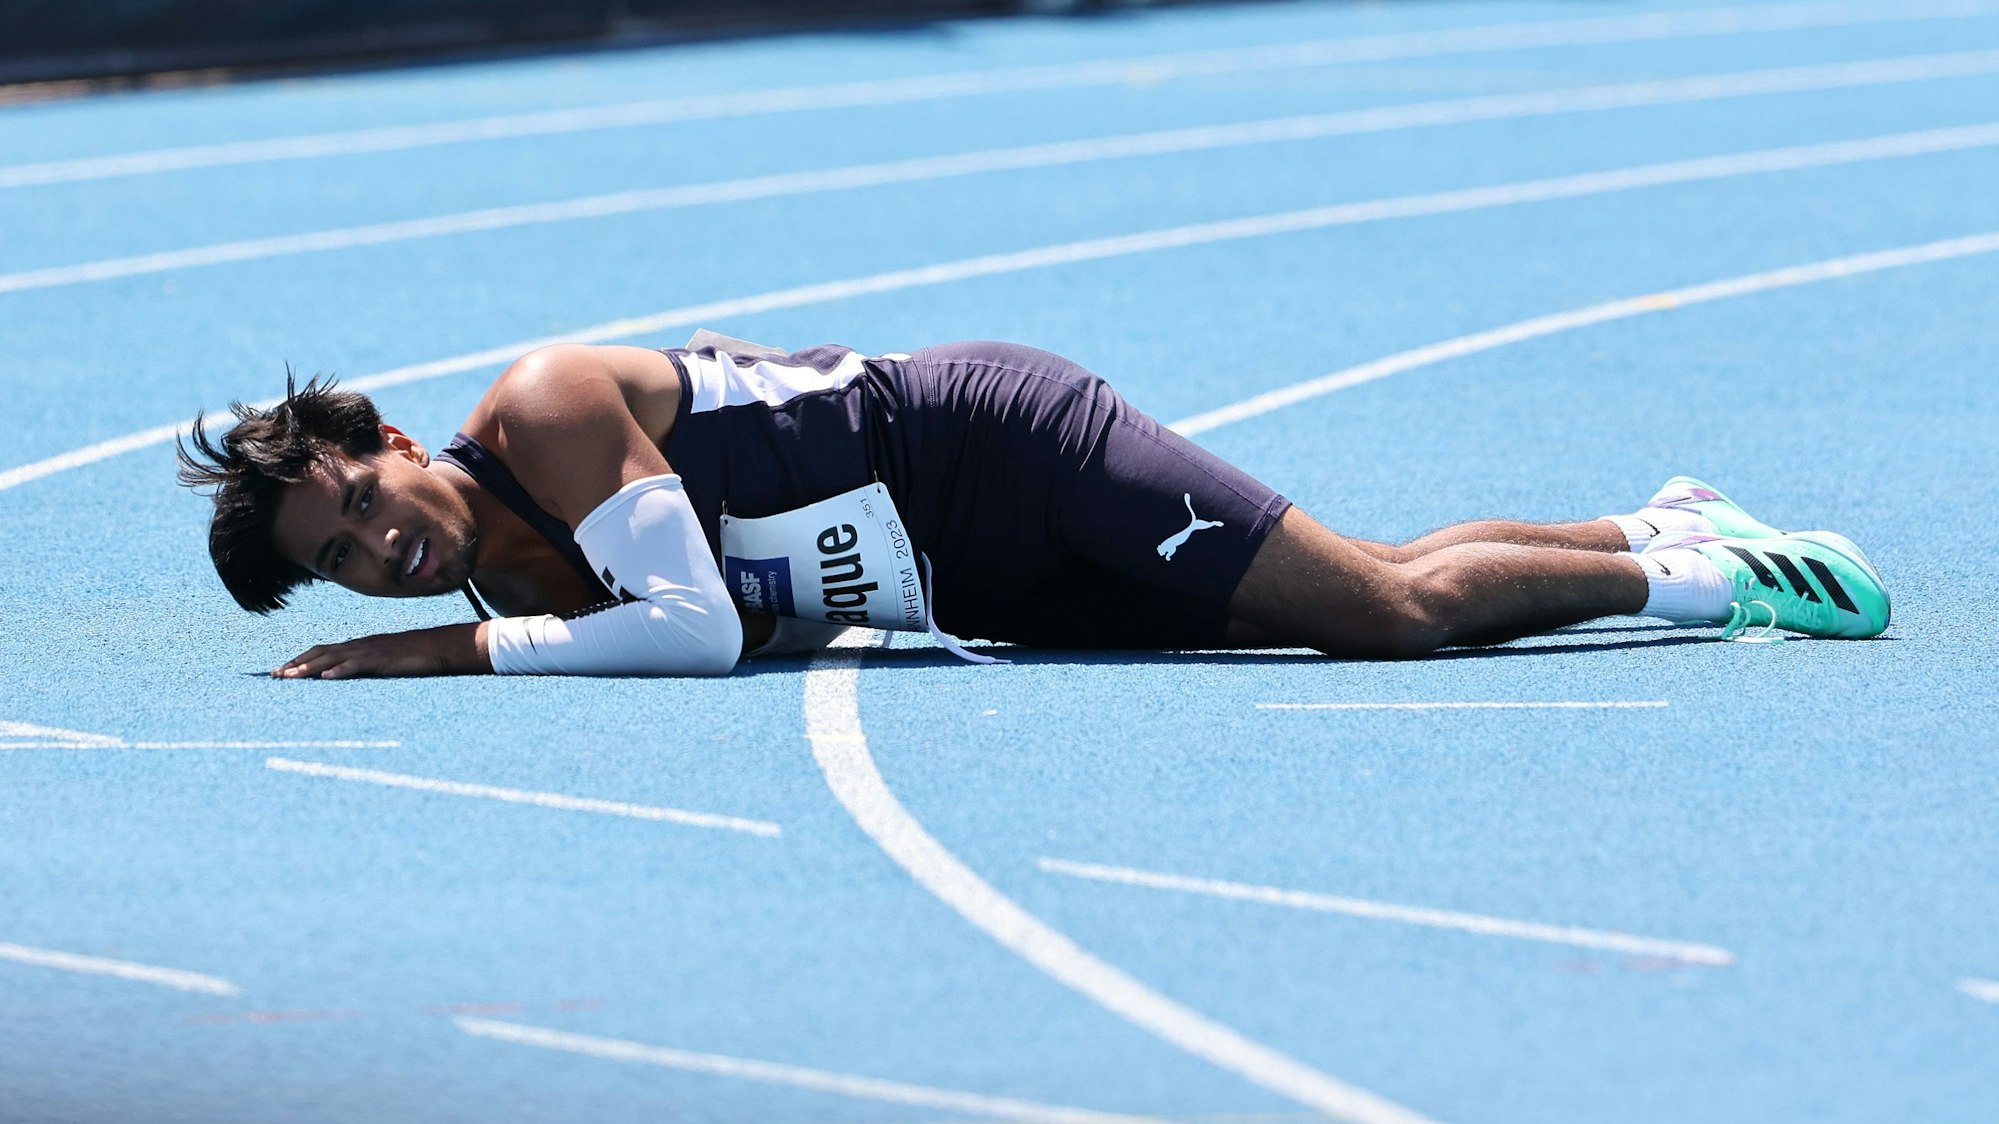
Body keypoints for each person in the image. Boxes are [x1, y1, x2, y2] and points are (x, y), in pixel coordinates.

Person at [174, 337, 1890, 680]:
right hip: (972, 584)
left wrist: (450, 664)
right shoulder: (509, 585)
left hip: (999, 445)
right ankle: (1648, 522)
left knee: (1383, 618)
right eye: (339, 570)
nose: (376, 554)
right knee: (1363, 580)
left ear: (385, 435)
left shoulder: (540, 411)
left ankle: (1716, 582)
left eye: (355, 511)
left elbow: (698, 631)